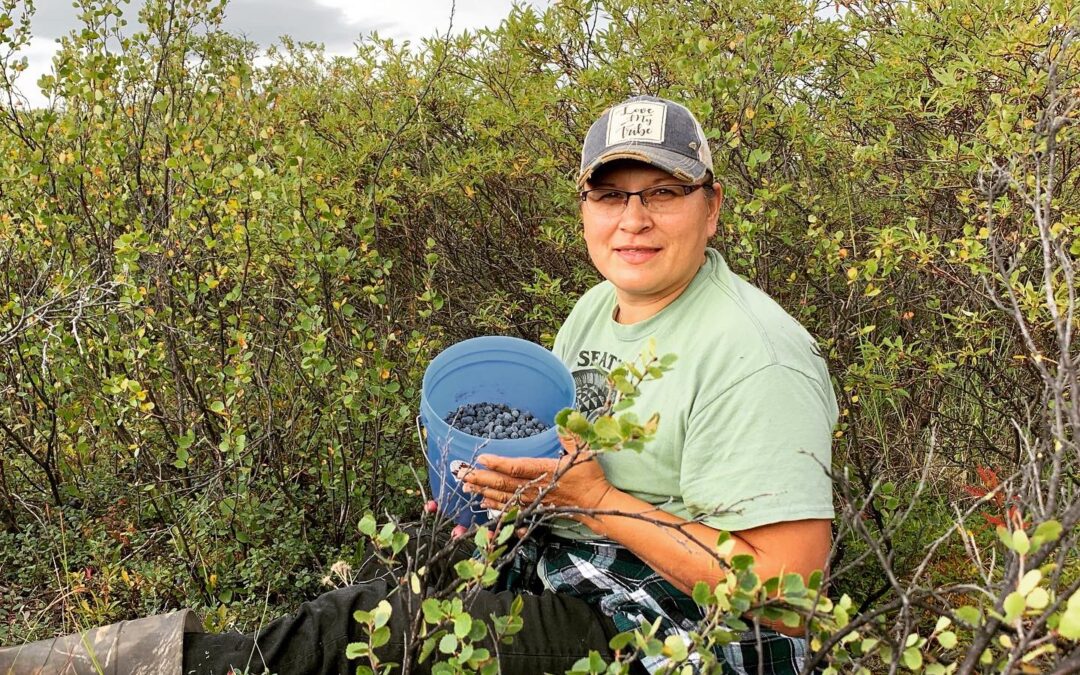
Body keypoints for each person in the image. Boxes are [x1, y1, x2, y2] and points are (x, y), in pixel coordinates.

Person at [0, 95, 835, 675]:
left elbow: (788, 601)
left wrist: (594, 501)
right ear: (582, 207)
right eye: (610, 195)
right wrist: (501, 486)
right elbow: (561, 452)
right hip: (573, 558)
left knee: (358, 633)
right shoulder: (593, 310)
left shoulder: (756, 353)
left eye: (664, 192)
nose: (634, 219)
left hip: (677, 635)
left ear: (712, 207)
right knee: (382, 587)